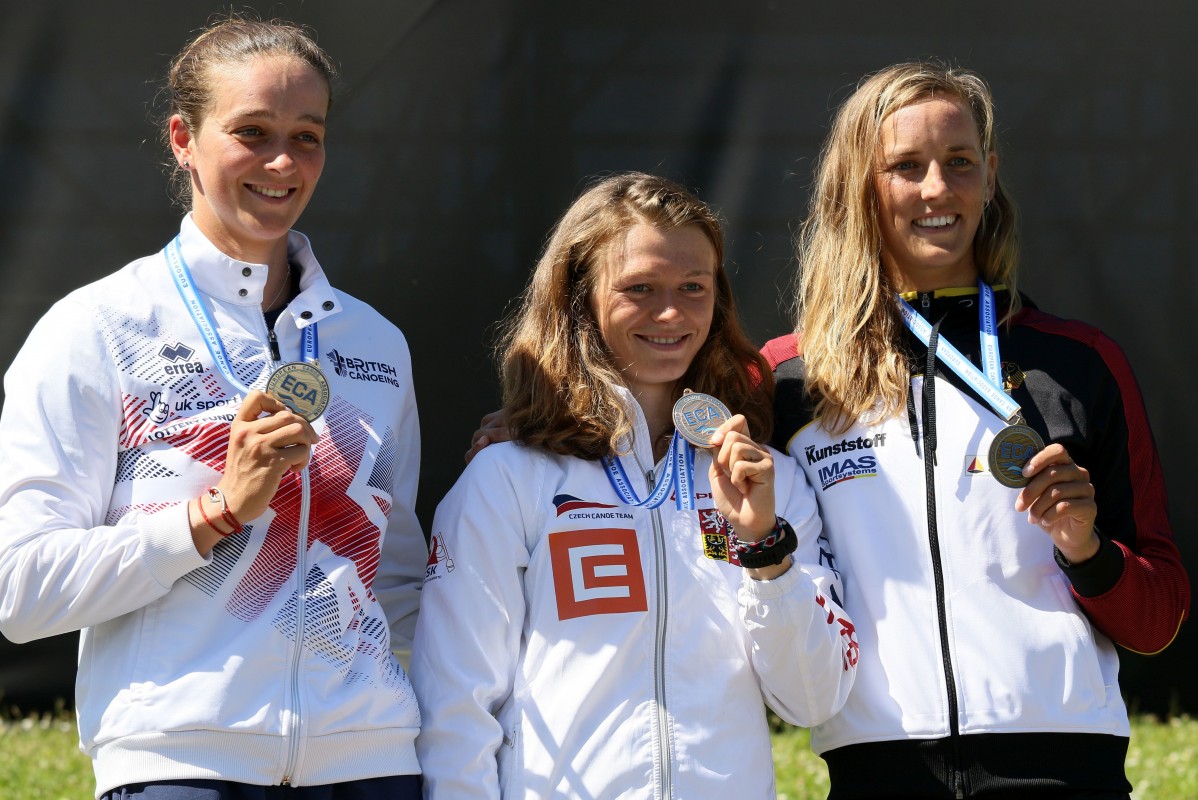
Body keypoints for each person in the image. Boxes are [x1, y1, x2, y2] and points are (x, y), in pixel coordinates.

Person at [0, 15, 426, 800]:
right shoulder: (99, 328)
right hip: (184, 763)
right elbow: (20, 590)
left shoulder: (376, 343)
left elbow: (396, 581)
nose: (282, 161)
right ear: (183, 139)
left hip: (370, 763)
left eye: (307, 136)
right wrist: (214, 514)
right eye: (252, 131)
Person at [761, 60, 1190, 798]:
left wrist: (1087, 550)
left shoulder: (1079, 362)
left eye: (959, 161)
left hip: (1065, 766)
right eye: (906, 166)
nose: (937, 188)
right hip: (877, 768)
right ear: (860, 185)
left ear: (990, 176)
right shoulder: (790, 379)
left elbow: (1159, 617)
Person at [412, 172, 858, 799]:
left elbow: (813, 699)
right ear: (579, 298)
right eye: (639, 287)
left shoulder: (768, 482)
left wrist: (764, 549)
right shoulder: (508, 478)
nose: (670, 312)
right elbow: (455, 705)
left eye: (693, 287)